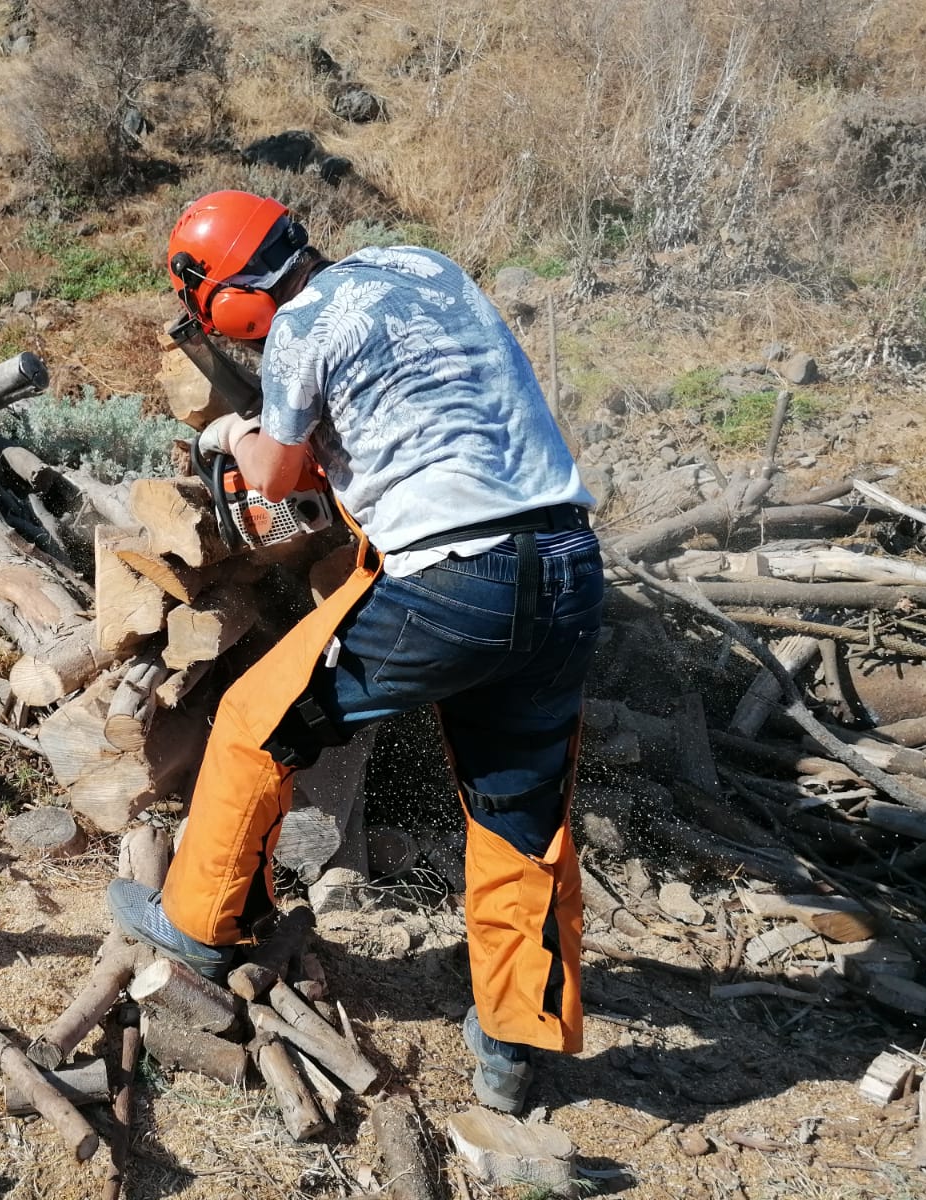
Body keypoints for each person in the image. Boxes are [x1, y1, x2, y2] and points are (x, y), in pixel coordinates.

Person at [107, 189, 604, 1114]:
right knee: (519, 811)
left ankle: (200, 925)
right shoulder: (421, 264)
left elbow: (273, 475)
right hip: (569, 563)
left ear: (222, 299)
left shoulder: (300, 326)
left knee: (258, 723)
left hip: (457, 580)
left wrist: (231, 428)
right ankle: (514, 1042)